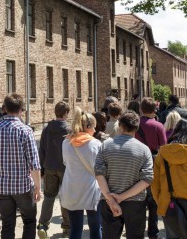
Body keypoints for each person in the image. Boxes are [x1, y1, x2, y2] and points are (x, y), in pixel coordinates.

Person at [0, 93, 42, 239]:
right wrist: (38, 187)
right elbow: (34, 164)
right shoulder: (25, 130)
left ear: (5, 109)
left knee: (7, 224)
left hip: (2, 186)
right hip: (22, 187)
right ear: (21, 109)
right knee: (29, 221)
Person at [95, 111, 153, 239]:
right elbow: (147, 179)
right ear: (136, 128)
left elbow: (99, 174)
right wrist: (122, 197)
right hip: (135, 202)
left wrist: (111, 199)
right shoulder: (144, 149)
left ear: (120, 126)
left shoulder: (105, 146)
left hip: (109, 200)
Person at [61, 107, 102, 239]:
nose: (95, 130)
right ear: (88, 126)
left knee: (75, 229)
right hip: (90, 189)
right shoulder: (96, 144)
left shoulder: (66, 142)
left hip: (72, 188)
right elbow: (99, 169)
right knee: (96, 228)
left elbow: (66, 163)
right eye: (93, 127)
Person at [37, 101, 71, 239]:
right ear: (66, 113)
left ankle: (43, 225)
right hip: (66, 168)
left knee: (49, 197)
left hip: (49, 166)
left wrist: (42, 170)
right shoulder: (69, 129)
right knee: (66, 197)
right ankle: (67, 227)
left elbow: (42, 149)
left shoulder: (46, 128)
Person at [134, 97, 167, 239]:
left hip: (137, 165)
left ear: (141, 109)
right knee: (153, 202)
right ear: (155, 110)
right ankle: (153, 232)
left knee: (139, 201)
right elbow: (164, 148)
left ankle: (138, 232)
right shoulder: (158, 126)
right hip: (153, 166)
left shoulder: (134, 125)